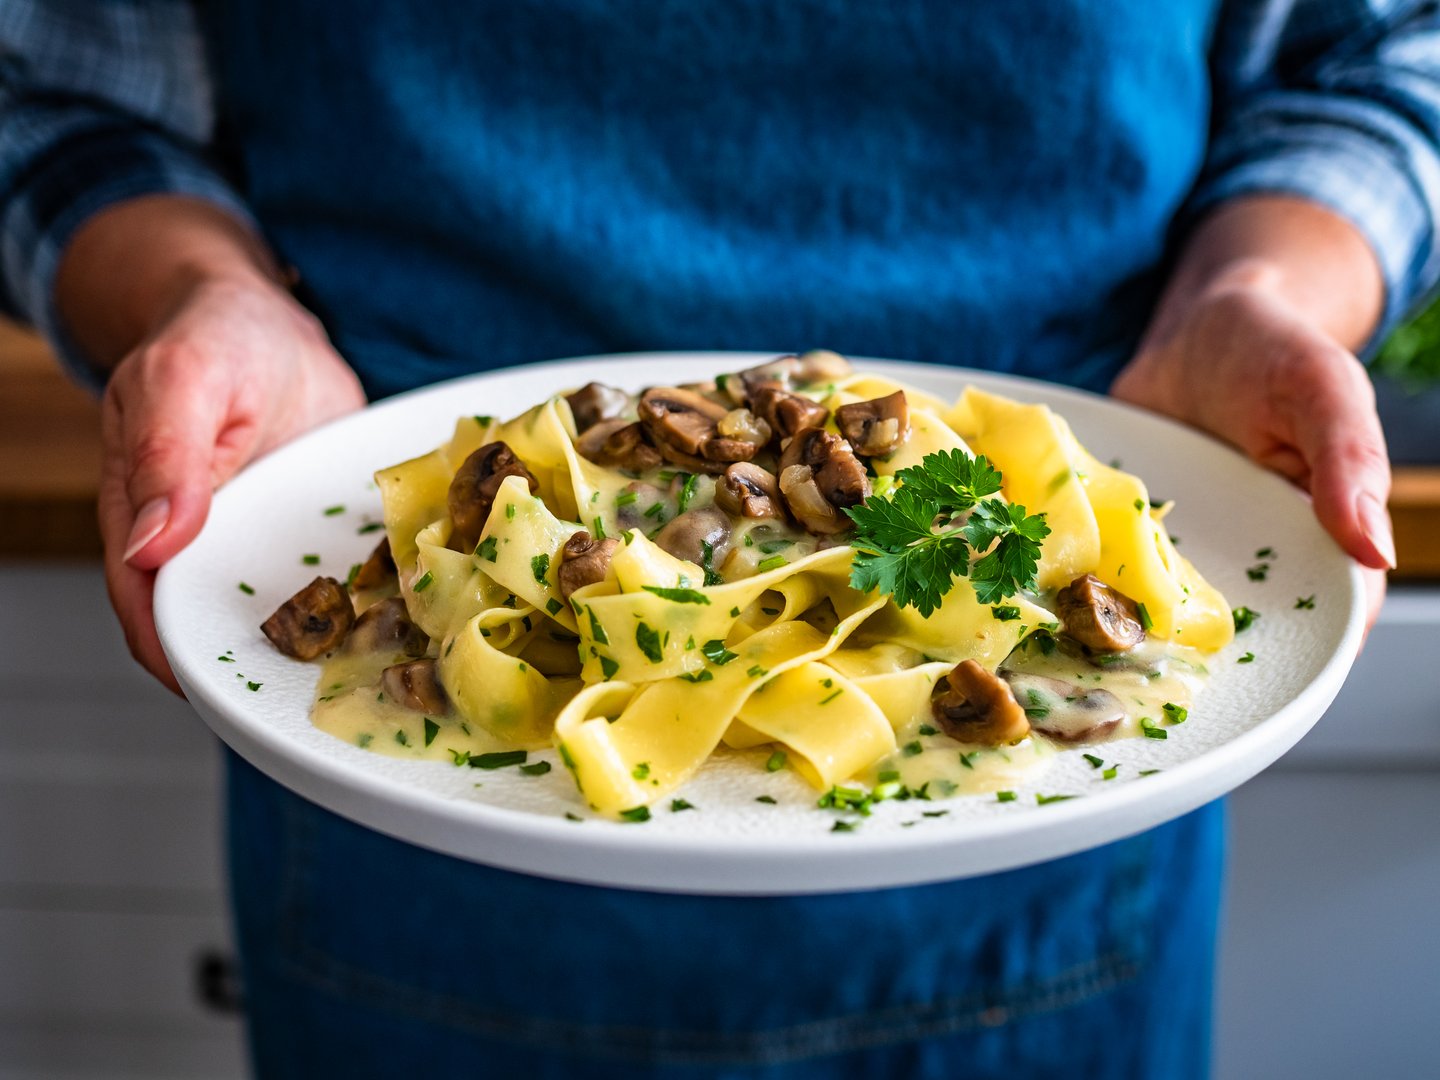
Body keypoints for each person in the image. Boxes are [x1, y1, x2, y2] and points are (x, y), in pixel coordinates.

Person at [2, 2, 1430, 1076]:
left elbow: (1379, 49)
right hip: (419, 835)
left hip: (1051, 835)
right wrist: (197, 288)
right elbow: (51, 82)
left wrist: (1258, 293)